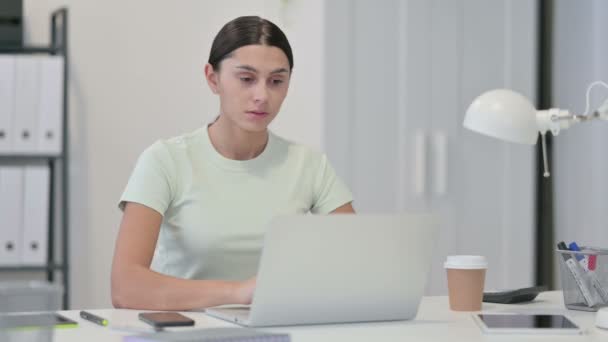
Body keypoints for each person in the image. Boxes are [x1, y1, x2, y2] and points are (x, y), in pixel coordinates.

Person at [111, 16, 354, 311]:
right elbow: (126, 287)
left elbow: (355, 264)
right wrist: (238, 292)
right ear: (213, 78)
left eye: (277, 81)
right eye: (246, 79)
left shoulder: (310, 165)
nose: (262, 95)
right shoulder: (165, 160)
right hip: (185, 330)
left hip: (275, 329)